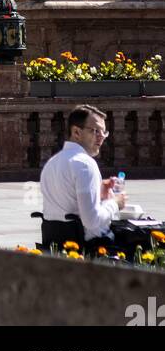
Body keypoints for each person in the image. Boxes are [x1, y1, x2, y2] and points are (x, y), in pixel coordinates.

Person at [39, 105, 126, 250]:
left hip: (54, 244)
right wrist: (115, 203)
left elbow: (67, 203)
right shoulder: (85, 164)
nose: (101, 137)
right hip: (86, 248)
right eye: (95, 131)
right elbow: (91, 221)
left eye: (104, 133)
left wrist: (99, 193)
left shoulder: (52, 163)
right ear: (76, 132)